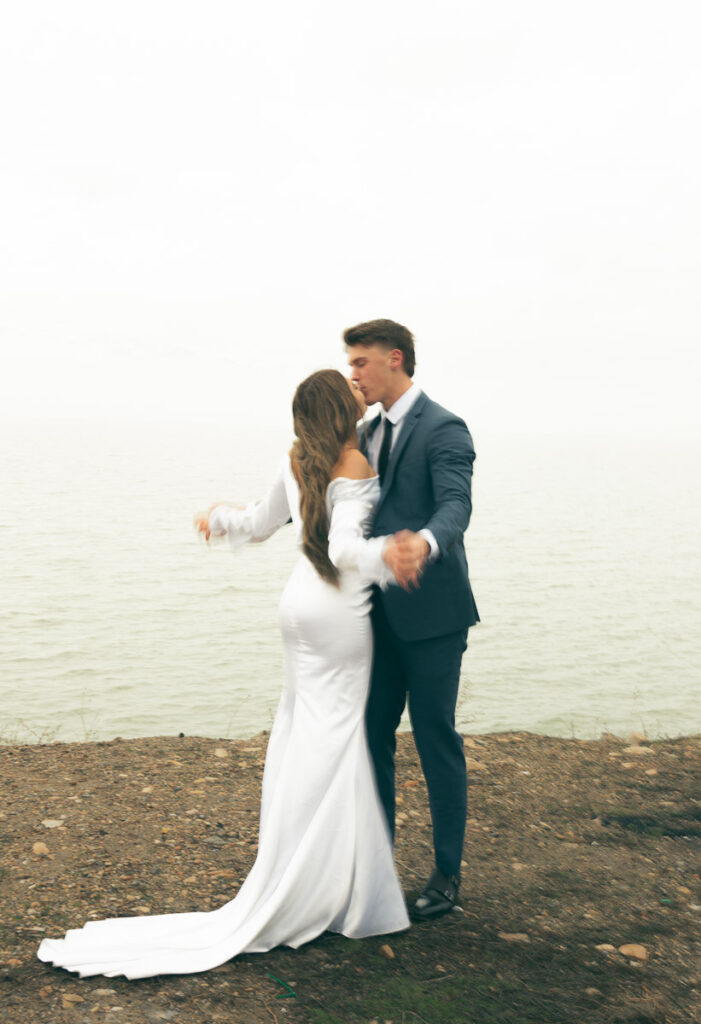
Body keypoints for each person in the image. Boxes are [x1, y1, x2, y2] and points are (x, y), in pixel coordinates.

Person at [37, 369, 409, 980]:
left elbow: (259, 523)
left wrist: (219, 518)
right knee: (336, 745)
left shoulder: (298, 460)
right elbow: (345, 551)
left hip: (296, 610)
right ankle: (324, 888)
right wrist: (387, 556)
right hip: (338, 616)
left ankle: (302, 871)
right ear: (342, 413)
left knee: (300, 737)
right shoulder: (353, 467)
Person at [345, 318, 479, 922]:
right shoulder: (362, 432)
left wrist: (424, 543)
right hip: (373, 616)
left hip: (433, 614)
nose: (353, 375)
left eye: (361, 363)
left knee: (435, 740)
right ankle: (378, 867)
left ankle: (447, 874)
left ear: (394, 359)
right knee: (371, 740)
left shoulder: (445, 427)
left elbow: (456, 505)